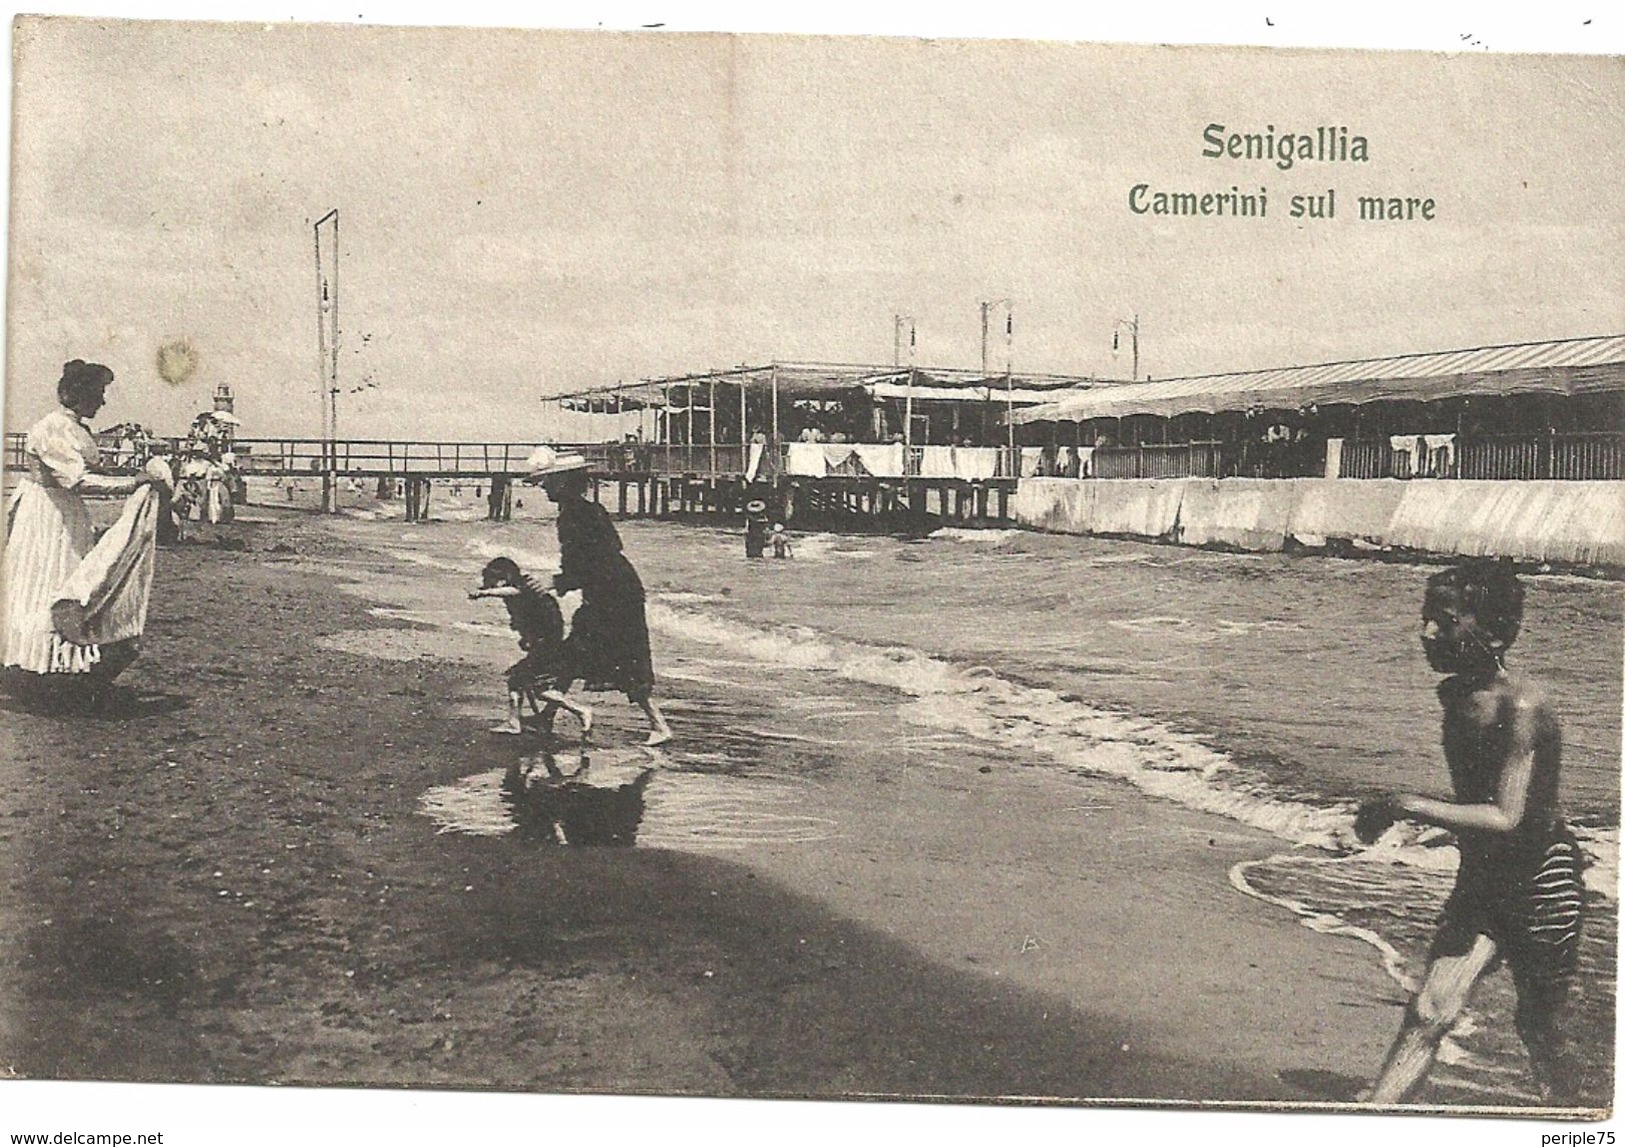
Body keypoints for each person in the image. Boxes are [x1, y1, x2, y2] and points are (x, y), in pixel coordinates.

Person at [1355, 558, 1584, 1104]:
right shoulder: (1456, 697)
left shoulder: (1523, 706)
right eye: (1426, 617)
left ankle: (1581, 1122)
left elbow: (1507, 817)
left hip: (1541, 886)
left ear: (1497, 632)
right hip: (1484, 878)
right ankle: (1369, 1120)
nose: (1426, 632)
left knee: (1539, 1027)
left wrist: (1406, 805)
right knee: (1431, 1008)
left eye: (1445, 619)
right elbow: (1480, 811)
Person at [2, 360, 162, 696]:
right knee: (44, 581)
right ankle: (31, 667)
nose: (102, 402)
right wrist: (133, 482)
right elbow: (78, 481)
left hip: (68, 513)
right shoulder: (51, 429)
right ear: (79, 394)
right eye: (98, 394)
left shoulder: (76, 428)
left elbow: (91, 472)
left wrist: (136, 478)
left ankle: (56, 665)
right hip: (46, 514)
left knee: (71, 580)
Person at [525, 447, 673, 746]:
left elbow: (583, 563)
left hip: (611, 593)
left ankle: (659, 725)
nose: (544, 489)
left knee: (606, 654)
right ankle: (548, 716)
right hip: (620, 586)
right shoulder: (590, 509)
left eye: (547, 483)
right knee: (588, 651)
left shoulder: (571, 516)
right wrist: (565, 580)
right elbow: (609, 549)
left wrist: (554, 583)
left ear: (564, 483)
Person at [469, 557, 591, 740]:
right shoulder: (522, 594)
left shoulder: (526, 586)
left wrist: (486, 594)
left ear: (504, 577)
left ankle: (580, 710)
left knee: (532, 686)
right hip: (545, 642)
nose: (490, 584)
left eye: (493, 580)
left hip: (548, 644)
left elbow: (516, 591)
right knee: (520, 681)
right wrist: (527, 638)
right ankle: (517, 721)